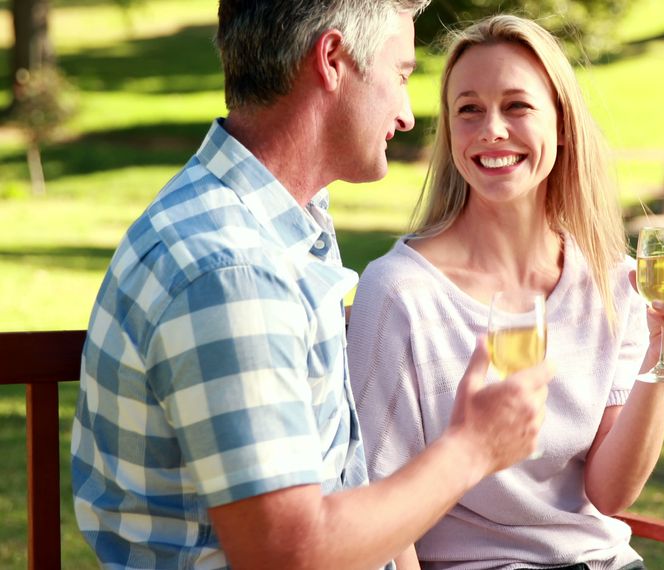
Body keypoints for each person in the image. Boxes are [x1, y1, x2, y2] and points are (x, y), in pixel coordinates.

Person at [71, 2, 552, 568]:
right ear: (332, 60)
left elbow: (335, 487)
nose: (405, 116)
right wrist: (472, 448)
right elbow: (287, 553)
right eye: (400, 76)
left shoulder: (281, 223)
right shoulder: (231, 272)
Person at [346, 15, 664, 570]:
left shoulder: (615, 282)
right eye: (469, 109)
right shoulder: (401, 292)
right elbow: (382, 512)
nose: (491, 129)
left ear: (562, 125)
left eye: (516, 106)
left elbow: (610, 495)